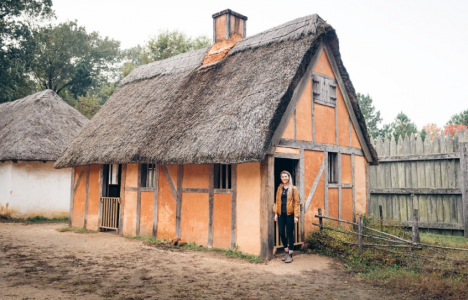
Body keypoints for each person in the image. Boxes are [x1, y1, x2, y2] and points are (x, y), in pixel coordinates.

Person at [273, 170, 300, 263]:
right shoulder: (279, 188)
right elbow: (277, 201)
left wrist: (296, 216)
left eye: (285, 177)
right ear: (281, 178)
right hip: (281, 214)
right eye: (282, 177)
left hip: (290, 214)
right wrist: (276, 213)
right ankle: (286, 250)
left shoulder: (293, 188)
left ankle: (290, 255)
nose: (284, 178)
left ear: (289, 177)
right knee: (281, 232)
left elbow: (297, 203)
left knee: (290, 233)